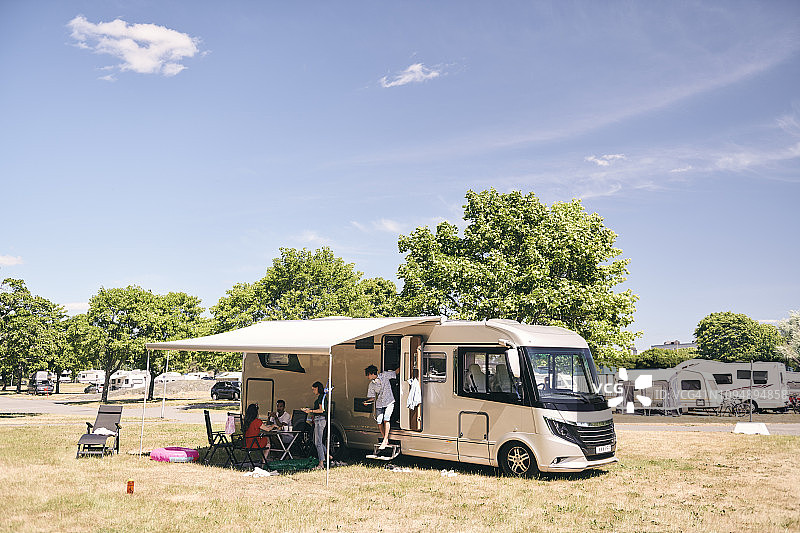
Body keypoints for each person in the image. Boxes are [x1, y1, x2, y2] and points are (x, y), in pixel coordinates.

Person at [363, 364, 399, 450]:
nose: (367, 376)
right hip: (379, 403)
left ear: (372, 373)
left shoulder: (385, 375)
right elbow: (372, 398)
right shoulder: (371, 385)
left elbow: (396, 372)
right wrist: (367, 402)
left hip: (389, 401)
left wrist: (405, 361)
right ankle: (385, 439)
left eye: (367, 374)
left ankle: (385, 439)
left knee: (386, 419)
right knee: (379, 422)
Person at [301, 381, 328, 469]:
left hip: (320, 420)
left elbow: (321, 410)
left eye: (314, 389)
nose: (313, 391)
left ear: (317, 388)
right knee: (317, 441)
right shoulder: (322, 397)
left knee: (318, 443)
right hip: (318, 420)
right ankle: (328, 455)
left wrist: (311, 411)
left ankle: (321, 464)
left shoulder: (321, 397)